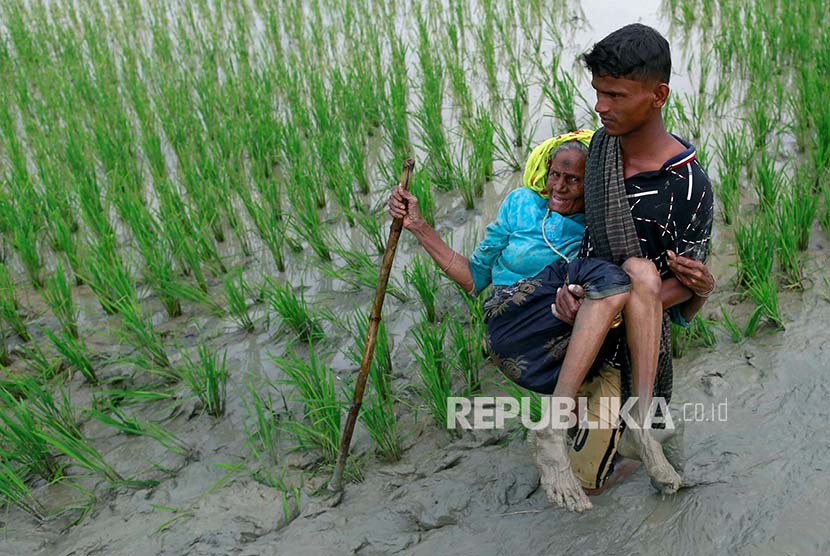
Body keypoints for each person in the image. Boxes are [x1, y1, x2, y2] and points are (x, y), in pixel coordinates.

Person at [543, 23, 716, 511]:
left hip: (632, 338)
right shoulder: (600, 150)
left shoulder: (685, 185)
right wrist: (573, 289)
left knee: (594, 482)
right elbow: (586, 239)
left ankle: (630, 444)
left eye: (615, 95)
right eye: (598, 92)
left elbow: (686, 285)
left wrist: (608, 307)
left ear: (658, 95)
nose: (601, 106)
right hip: (582, 317)